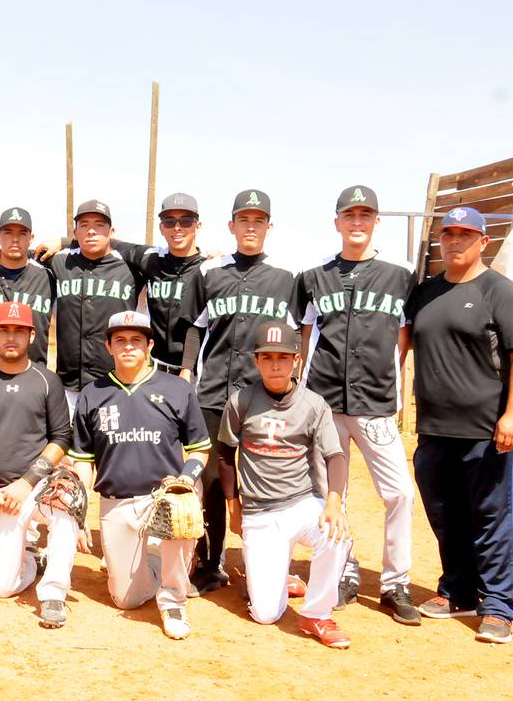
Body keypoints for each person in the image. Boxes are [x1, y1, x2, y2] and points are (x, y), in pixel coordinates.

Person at [401, 206, 513, 644]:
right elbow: (402, 345)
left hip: (489, 431)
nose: (455, 241)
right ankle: (458, 590)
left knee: (494, 518)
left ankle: (500, 605)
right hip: (435, 431)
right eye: (448, 233)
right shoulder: (425, 293)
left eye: (465, 234)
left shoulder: (500, 292)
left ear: (483, 241)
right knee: (446, 515)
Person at [292, 185, 419, 624]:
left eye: (366, 215)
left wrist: (392, 380)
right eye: (350, 215)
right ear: (337, 222)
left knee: (400, 492)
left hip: (376, 403)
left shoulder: (400, 275)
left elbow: (404, 335)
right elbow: (304, 335)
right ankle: (343, 569)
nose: (357, 222)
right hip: (325, 402)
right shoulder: (313, 277)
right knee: (333, 494)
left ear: (376, 222)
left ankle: (395, 581)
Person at [178, 189, 295, 595]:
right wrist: (186, 371)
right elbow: (195, 325)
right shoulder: (210, 273)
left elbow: (296, 334)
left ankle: (266, 563)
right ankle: (211, 564)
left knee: (265, 478)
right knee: (210, 480)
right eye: (243, 220)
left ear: (268, 227)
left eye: (258, 220)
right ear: (231, 226)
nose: (250, 226)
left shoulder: (285, 278)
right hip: (213, 393)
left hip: (263, 396)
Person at [67, 311, 211, 640]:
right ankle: (156, 558)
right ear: (108, 346)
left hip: (165, 498)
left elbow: (200, 448)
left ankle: (174, 598)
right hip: (117, 501)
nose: (128, 346)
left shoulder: (176, 389)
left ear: (149, 346)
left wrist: (186, 480)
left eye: (136, 340)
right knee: (125, 599)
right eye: (120, 340)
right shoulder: (93, 393)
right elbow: (83, 459)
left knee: (183, 505)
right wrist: (80, 511)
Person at [217, 320, 353, 649]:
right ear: (256, 361)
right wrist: (234, 508)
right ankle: (280, 577)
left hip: (301, 503)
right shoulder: (241, 401)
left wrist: (333, 504)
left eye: (283, 357)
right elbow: (224, 456)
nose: (275, 364)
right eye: (267, 357)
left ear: (297, 360)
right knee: (265, 615)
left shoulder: (313, 404)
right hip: (260, 511)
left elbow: (336, 456)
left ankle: (316, 613)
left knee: (337, 534)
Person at [0, 301, 80, 628]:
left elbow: (62, 437)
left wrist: (28, 481)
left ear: (32, 335)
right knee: (2, 587)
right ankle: (31, 561)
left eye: (19, 331)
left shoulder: (46, 380)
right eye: (4, 330)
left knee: (66, 506)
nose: (12, 337)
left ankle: (53, 594)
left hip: (37, 488)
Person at [43, 200, 146, 411]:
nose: (91, 231)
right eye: (84, 225)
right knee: (68, 443)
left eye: (99, 224)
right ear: (75, 232)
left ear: (111, 231)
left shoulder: (131, 266)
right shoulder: (60, 262)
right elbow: (16, 255)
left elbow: (172, 258)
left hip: (116, 384)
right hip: (68, 386)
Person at [0, 207, 56, 369]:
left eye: (22, 233)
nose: (15, 239)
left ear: (31, 238)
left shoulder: (48, 277)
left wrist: (62, 241)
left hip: (34, 376)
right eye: (8, 233)